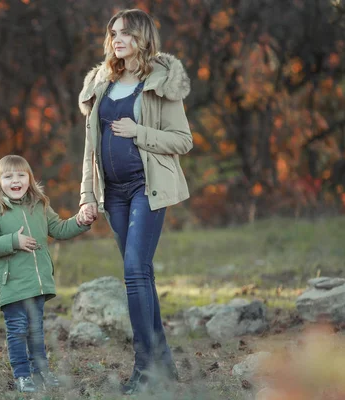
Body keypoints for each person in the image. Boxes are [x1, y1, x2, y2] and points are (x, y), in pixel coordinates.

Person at [77, 8, 193, 395]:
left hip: (148, 188)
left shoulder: (161, 82)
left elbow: (182, 140)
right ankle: (165, 368)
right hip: (114, 195)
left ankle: (144, 368)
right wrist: (86, 196)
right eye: (112, 33)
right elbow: (90, 148)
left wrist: (138, 131)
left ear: (142, 37)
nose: (116, 39)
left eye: (125, 33)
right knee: (140, 273)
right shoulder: (102, 83)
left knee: (134, 271)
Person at [0, 155, 93, 393]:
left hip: (37, 284)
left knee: (36, 330)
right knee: (18, 330)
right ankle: (22, 375)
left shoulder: (38, 206)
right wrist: (13, 241)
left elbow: (59, 228)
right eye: (8, 177)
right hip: (12, 284)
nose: (15, 180)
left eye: (21, 175)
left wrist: (80, 221)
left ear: (29, 179)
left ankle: (41, 371)